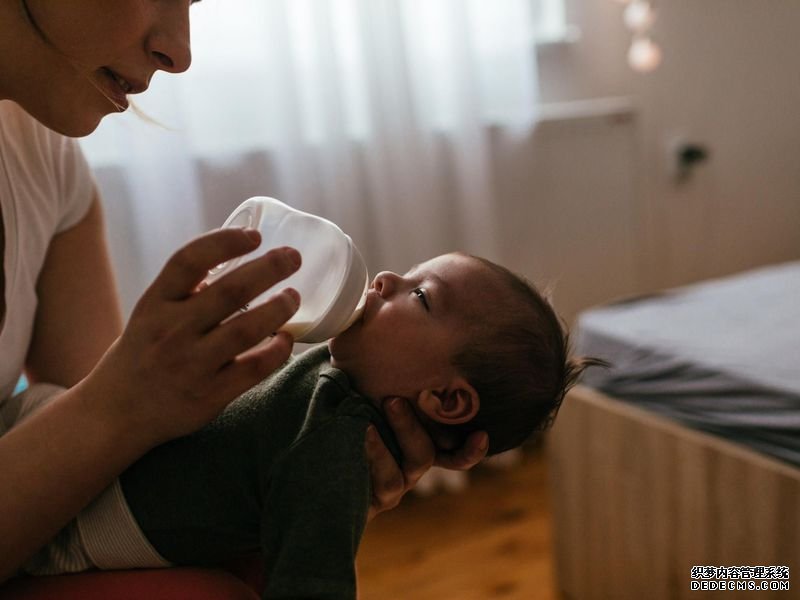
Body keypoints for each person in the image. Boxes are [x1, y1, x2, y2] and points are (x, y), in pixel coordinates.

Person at [0, 0, 487, 582]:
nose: (180, 53)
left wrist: (297, 475)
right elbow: (95, 420)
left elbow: (89, 472)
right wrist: (122, 402)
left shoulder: (46, 158)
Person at [18, 252, 597, 597]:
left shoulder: (336, 448)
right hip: (84, 454)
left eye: (421, 295)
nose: (386, 277)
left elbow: (313, 581)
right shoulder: (345, 369)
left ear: (446, 398)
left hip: (75, 524)